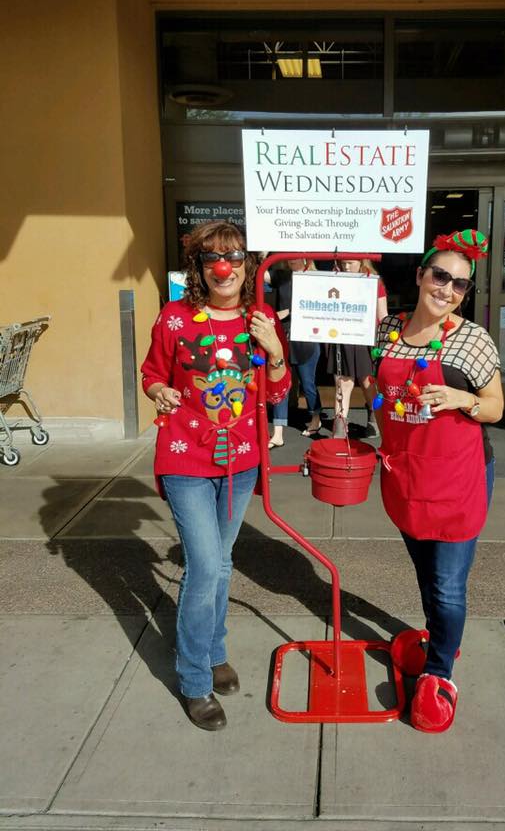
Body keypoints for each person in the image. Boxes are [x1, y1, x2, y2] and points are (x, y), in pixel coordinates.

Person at [140, 220, 290, 731]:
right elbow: (152, 374)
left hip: (240, 462)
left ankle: (214, 650)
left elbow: (274, 394)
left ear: (247, 265)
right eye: (211, 258)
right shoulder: (175, 318)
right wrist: (159, 392)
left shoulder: (260, 317)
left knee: (222, 563)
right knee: (204, 567)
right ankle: (195, 678)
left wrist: (273, 350)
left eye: (232, 256)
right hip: (185, 459)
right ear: (200, 268)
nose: (222, 267)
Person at [372, 229, 503, 734]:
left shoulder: (472, 339)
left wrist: (459, 399)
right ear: (421, 275)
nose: (447, 289)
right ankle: (438, 637)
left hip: (457, 477)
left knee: (448, 585)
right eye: (441, 276)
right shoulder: (388, 329)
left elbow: (495, 408)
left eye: (460, 285)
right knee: (427, 574)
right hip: (406, 472)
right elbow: (380, 387)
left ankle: (441, 671)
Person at [325, 258, 388, 438]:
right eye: (344, 263)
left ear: (362, 262)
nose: (346, 266)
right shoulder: (335, 281)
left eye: (350, 263)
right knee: (343, 382)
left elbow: (383, 316)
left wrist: (383, 343)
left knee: (368, 382)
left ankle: (375, 420)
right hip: (342, 336)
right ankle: (339, 428)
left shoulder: (374, 282)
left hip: (366, 338)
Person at [266, 257, 323, 448]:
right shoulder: (281, 276)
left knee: (307, 383)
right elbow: (258, 275)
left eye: (296, 255)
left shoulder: (315, 278)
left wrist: (288, 311)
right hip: (283, 337)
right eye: (288, 254)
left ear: (306, 257)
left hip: (307, 338)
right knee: (281, 381)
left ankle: (315, 418)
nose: (291, 258)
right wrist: (264, 254)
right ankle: (278, 432)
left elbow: (321, 305)